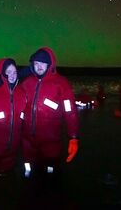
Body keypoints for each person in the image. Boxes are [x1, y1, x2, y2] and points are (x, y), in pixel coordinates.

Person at [20, 47, 80, 179]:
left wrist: (73, 137)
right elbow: (14, 103)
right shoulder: (26, 83)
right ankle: (27, 181)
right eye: (35, 63)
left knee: (50, 170)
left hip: (51, 140)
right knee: (28, 167)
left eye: (42, 62)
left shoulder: (61, 84)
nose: (39, 66)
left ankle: (51, 184)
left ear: (50, 64)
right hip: (27, 139)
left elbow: (70, 112)